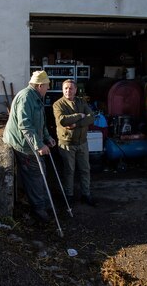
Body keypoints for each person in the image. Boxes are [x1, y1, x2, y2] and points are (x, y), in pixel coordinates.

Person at [2, 70, 56, 223]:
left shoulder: (37, 97)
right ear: (39, 85)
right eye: (47, 86)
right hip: (23, 143)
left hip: (31, 141)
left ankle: (45, 204)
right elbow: (24, 124)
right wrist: (39, 145)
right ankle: (39, 210)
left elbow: (41, 122)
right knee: (35, 176)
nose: (48, 88)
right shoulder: (26, 97)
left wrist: (47, 138)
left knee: (41, 172)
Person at [53, 79, 96, 207]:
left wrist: (77, 123)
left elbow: (92, 117)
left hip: (82, 142)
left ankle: (86, 194)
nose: (68, 90)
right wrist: (80, 115)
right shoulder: (58, 104)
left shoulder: (81, 101)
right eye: (65, 88)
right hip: (67, 143)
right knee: (69, 171)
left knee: (85, 169)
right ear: (62, 89)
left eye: (71, 88)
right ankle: (69, 196)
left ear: (76, 90)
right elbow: (62, 121)